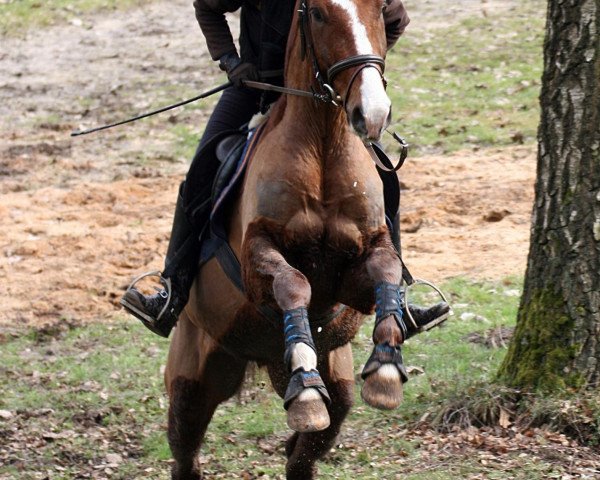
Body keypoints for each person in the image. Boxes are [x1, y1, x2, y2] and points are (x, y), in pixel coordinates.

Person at [120, 0, 450, 338]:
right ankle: (172, 291)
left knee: (382, 172)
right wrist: (231, 61)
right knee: (204, 165)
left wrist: (354, 71)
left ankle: (399, 298)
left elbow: (394, 20)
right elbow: (208, 7)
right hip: (257, 87)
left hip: (325, 95)